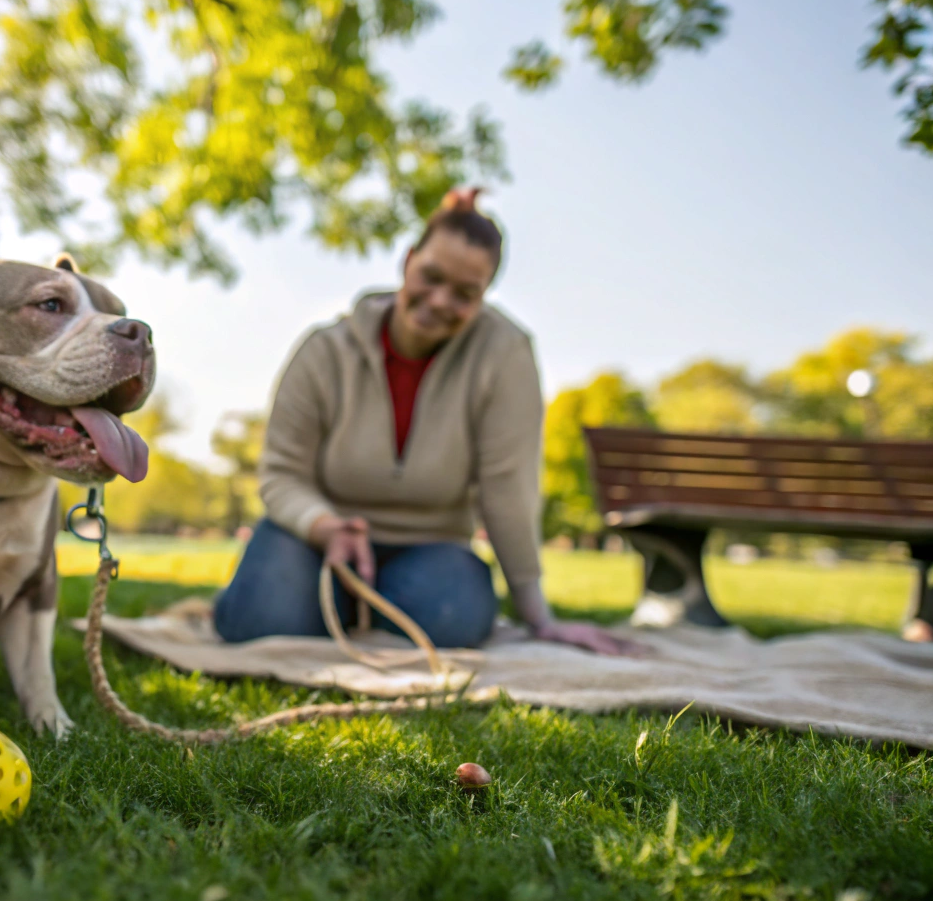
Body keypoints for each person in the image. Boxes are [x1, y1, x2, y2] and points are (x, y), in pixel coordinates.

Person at [213, 187, 633, 656]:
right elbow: (281, 475)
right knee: (260, 621)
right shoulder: (323, 351)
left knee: (452, 620)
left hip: (430, 551)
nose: (438, 301)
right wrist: (324, 525)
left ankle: (350, 610)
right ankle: (323, 601)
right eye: (431, 277)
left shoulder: (506, 354)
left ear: (485, 296)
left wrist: (540, 617)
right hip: (315, 540)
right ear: (408, 259)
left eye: (464, 294)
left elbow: (508, 488)